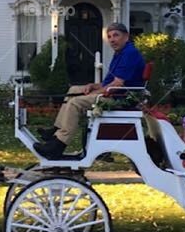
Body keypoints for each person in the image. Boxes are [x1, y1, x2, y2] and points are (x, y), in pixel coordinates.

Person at [34, 22, 145, 159]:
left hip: (121, 98)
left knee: (75, 102)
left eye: (116, 35)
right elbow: (109, 82)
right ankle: (56, 131)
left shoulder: (130, 53)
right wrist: (94, 86)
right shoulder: (120, 53)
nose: (112, 40)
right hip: (116, 93)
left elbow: (117, 84)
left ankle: (58, 145)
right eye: (109, 36)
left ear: (126, 36)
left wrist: (96, 93)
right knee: (74, 89)